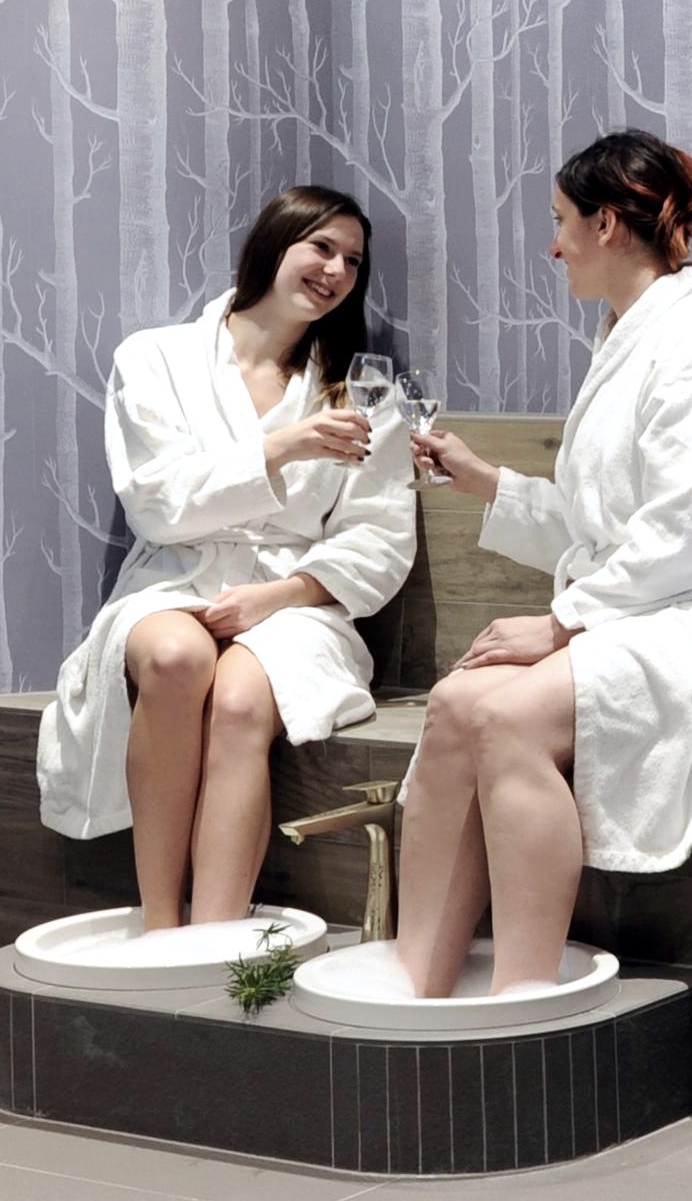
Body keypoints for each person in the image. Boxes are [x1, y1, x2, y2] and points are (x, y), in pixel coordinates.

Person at [398, 133, 692, 1000]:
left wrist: (562, 623)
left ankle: (523, 995)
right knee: (454, 704)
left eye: (562, 221)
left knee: (509, 716)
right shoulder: (628, 341)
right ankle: (417, 984)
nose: (553, 244)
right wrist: (486, 482)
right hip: (646, 605)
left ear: (606, 225)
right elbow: (601, 525)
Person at [35, 187, 418, 931]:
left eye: (353, 261)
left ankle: (213, 937)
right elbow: (156, 502)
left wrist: (276, 597)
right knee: (175, 658)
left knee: (241, 698)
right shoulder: (155, 359)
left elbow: (379, 536)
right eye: (322, 247)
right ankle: (160, 927)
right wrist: (280, 448)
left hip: (298, 599)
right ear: (274, 242)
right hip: (176, 577)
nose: (337, 271)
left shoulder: (361, 390)